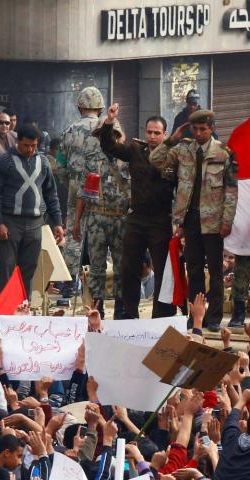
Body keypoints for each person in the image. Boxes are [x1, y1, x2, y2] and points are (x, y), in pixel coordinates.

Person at [150, 109, 237, 330]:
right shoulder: (182, 150)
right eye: (195, 129)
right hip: (190, 219)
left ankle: (214, 317)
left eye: (203, 129)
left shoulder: (223, 153)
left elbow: (231, 190)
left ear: (212, 129)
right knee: (194, 269)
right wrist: (173, 139)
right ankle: (195, 316)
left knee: (216, 271)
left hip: (213, 220)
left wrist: (227, 220)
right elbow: (155, 159)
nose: (198, 133)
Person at [97, 103, 176, 319]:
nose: (152, 136)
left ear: (165, 134)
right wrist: (109, 122)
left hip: (161, 220)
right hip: (137, 218)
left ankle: (162, 315)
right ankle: (128, 313)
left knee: (161, 271)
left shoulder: (173, 155)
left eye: (156, 133)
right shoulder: (135, 150)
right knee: (129, 267)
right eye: (149, 132)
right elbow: (109, 147)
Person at [0, 124, 63, 301]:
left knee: (29, 270)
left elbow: (51, 194)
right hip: (10, 223)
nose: (30, 149)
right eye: (26, 145)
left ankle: (23, 307)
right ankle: (1, 313)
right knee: (5, 269)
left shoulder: (44, 162)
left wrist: (58, 223)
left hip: (35, 223)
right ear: (17, 141)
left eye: (34, 145)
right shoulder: (3, 162)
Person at [74, 113, 130, 319]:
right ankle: (97, 307)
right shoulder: (91, 160)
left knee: (121, 266)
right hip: (96, 217)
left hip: (120, 218)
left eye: (114, 134)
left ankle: (121, 307)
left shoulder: (128, 158)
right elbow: (82, 192)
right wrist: (77, 222)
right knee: (96, 266)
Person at [59, 86, 106, 300]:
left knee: (73, 234)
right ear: (100, 107)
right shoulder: (104, 128)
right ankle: (100, 283)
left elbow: (60, 164)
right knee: (98, 233)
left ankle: (69, 282)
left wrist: (71, 181)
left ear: (79, 107)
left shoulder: (68, 130)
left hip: (74, 186)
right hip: (99, 187)